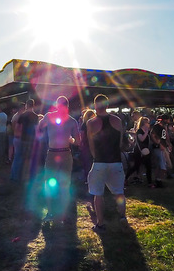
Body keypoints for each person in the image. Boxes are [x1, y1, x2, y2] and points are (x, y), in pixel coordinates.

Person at [85, 95, 126, 231]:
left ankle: (100, 223)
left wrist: (97, 158)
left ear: (95, 106)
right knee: (119, 192)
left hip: (100, 162)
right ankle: (122, 217)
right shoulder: (117, 120)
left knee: (98, 194)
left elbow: (91, 146)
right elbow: (120, 143)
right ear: (107, 105)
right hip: (116, 161)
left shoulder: (91, 123)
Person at [36, 96, 79, 224]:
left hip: (57, 153)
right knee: (61, 185)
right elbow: (78, 141)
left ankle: (54, 213)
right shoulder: (71, 120)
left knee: (53, 184)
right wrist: (70, 139)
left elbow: (39, 128)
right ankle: (58, 213)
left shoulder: (51, 117)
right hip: (61, 153)